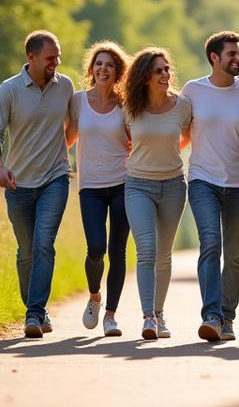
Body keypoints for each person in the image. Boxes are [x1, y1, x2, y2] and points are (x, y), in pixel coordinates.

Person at [0, 30, 75, 339]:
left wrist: (60, 150)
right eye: (50, 58)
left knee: (44, 242)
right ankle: (35, 308)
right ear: (31, 57)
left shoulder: (65, 86)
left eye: (58, 57)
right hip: (18, 183)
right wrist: (0, 168)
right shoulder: (9, 90)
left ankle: (34, 312)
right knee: (26, 251)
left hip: (55, 178)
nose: (56, 62)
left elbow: (76, 124)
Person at [181, 31, 239, 342]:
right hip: (202, 180)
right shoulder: (192, 90)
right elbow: (181, 132)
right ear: (214, 57)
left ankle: (227, 317)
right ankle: (211, 315)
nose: (238, 58)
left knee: (233, 254)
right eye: (232, 54)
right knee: (210, 243)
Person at [123, 47, 192, 340]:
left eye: (166, 69)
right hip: (138, 185)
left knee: (164, 254)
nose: (165, 74)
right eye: (158, 71)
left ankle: (160, 314)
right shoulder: (129, 107)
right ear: (144, 77)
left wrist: (168, 150)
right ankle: (148, 317)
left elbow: (188, 135)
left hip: (173, 185)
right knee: (147, 250)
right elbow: (125, 139)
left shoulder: (182, 106)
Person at [65, 41, 132, 337]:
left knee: (118, 251)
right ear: (91, 69)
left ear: (118, 71)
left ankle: (110, 315)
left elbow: (135, 140)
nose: (104, 69)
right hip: (90, 186)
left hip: (123, 184)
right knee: (96, 248)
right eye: (99, 63)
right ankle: (94, 296)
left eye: (110, 65)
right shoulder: (78, 101)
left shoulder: (125, 104)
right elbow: (66, 140)